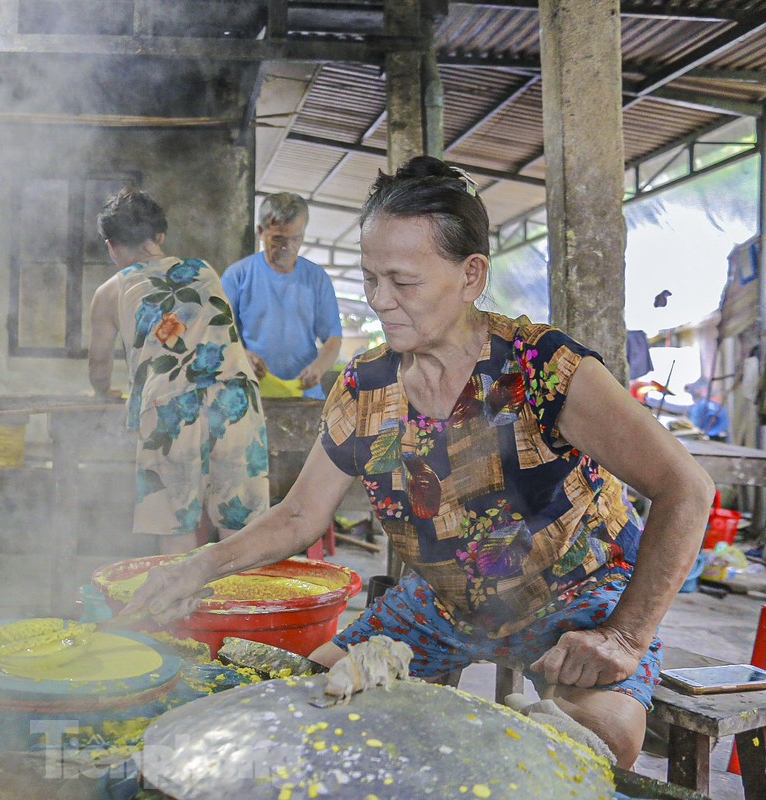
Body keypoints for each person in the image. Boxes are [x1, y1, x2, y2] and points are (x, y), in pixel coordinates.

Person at [119, 158, 714, 768]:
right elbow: (300, 513)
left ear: (471, 274)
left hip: (578, 595)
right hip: (443, 601)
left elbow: (686, 490)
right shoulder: (365, 389)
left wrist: (624, 634)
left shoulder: (544, 369)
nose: (380, 301)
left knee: (580, 743)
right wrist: (196, 568)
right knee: (309, 708)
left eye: (403, 282)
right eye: (372, 277)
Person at [88, 189, 270, 554]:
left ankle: (183, 610)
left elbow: (99, 365)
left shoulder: (110, 292)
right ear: (160, 237)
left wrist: (101, 391)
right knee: (239, 522)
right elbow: (214, 335)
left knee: (176, 523)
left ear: (111, 246)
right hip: (236, 397)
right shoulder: (203, 270)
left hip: (170, 406)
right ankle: (239, 607)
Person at [222, 192, 343, 399]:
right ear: (261, 231)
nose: (288, 247)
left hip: (304, 393)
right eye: (278, 239)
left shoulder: (316, 278)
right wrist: (243, 355)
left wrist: (318, 367)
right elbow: (219, 331)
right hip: (251, 392)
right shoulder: (237, 275)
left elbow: (332, 337)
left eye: (296, 239)